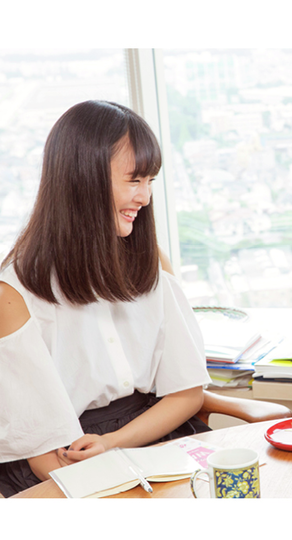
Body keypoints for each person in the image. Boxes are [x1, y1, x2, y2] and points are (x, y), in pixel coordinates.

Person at [0, 100, 212, 497]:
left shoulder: (148, 264)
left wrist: (115, 443)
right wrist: (109, 461)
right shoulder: (14, 294)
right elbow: (43, 455)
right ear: (82, 179)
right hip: (66, 463)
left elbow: (186, 392)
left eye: (149, 181)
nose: (145, 197)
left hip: (149, 437)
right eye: (134, 180)